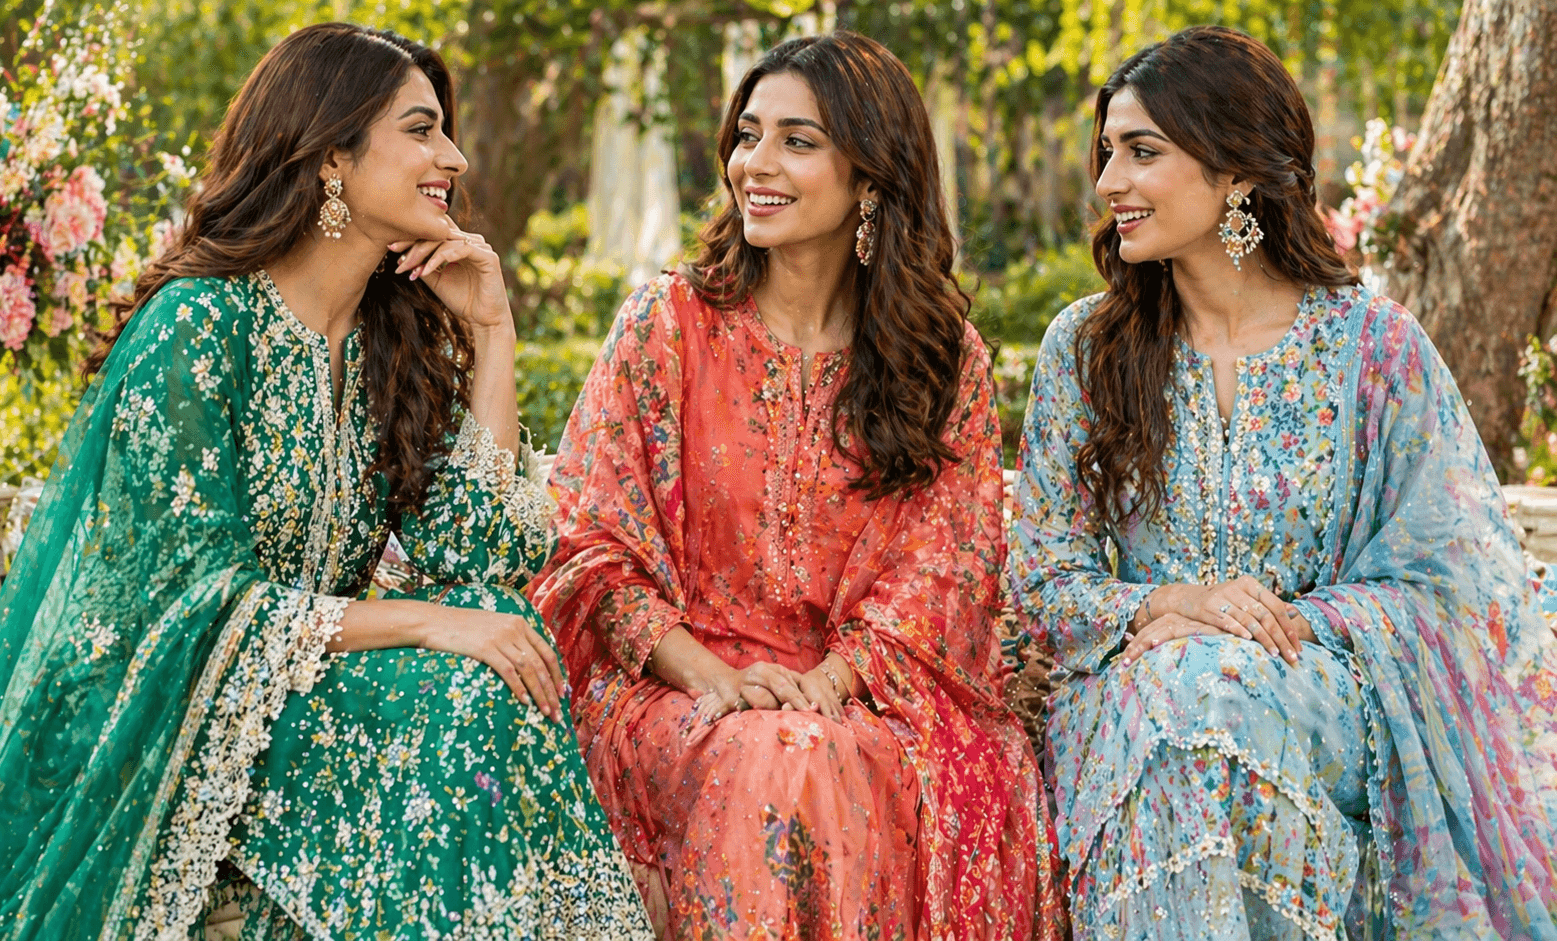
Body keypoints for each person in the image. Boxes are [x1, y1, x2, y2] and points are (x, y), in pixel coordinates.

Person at [0, 23, 652, 941]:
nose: (451, 155)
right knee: (472, 677)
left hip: (301, 697)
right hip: (170, 724)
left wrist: (493, 331)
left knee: (501, 636)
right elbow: (195, 606)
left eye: (444, 131)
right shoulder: (199, 326)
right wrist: (427, 621)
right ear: (332, 155)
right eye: (420, 129)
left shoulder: (387, 344)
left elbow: (478, 555)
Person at [1008, 24, 1557, 940]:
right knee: (1191, 701)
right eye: (1106, 154)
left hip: (1328, 697)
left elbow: (1457, 582)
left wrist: (1288, 620)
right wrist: (1169, 606)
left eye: (1142, 153)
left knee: (1212, 694)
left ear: (1236, 174)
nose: (1109, 185)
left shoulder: (1372, 351)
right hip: (1131, 694)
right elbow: (1040, 584)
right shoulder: (1088, 350)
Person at [530, 31, 1066, 941]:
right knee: (775, 760)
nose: (756, 164)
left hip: (869, 694)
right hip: (675, 685)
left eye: (797, 140)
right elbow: (588, 542)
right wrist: (710, 677)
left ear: (870, 176)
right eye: (748, 134)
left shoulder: (942, 363)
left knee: (814, 756)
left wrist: (831, 679)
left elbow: (948, 566)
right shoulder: (668, 326)